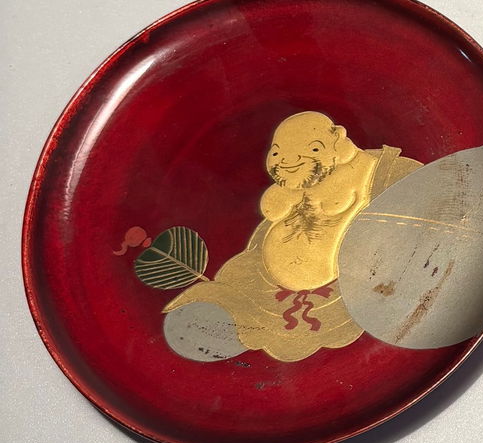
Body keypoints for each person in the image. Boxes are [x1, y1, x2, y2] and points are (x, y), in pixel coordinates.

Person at [161, 113, 418, 363]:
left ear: (338, 140)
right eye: (277, 153)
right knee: (194, 320)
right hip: (266, 286)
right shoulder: (297, 181)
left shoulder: (380, 171)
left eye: (313, 149)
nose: (287, 161)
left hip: (340, 294)